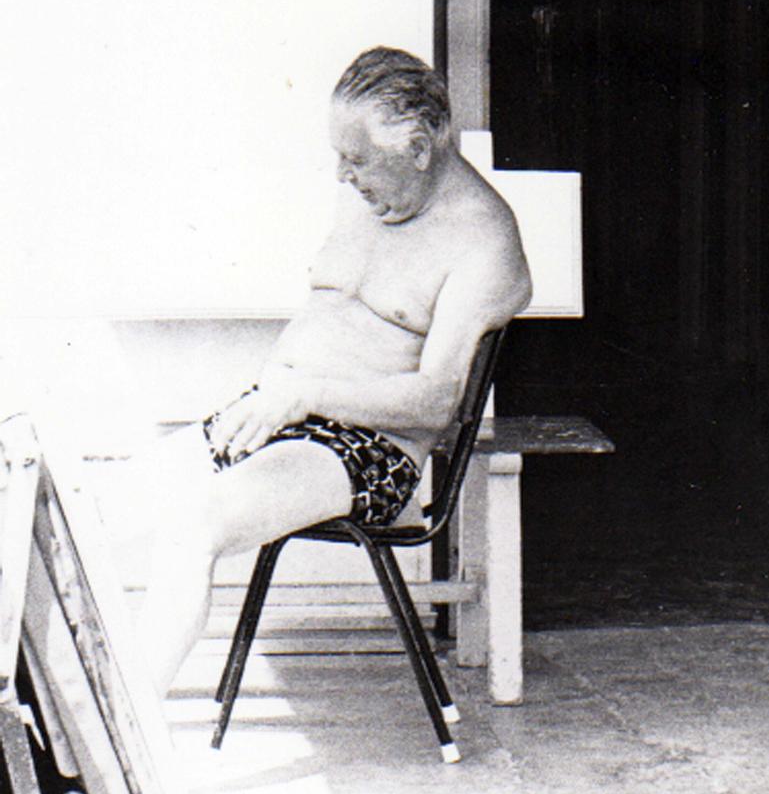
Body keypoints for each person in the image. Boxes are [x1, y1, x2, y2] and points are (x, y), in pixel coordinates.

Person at [139, 46, 532, 696]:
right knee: (74, 507)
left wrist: (305, 396)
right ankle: (54, 709)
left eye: (356, 160)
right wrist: (288, 397)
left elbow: (436, 402)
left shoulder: (483, 240)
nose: (342, 177)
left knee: (193, 521)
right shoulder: (378, 191)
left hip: (363, 450)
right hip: (279, 410)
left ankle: (123, 736)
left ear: (418, 148)